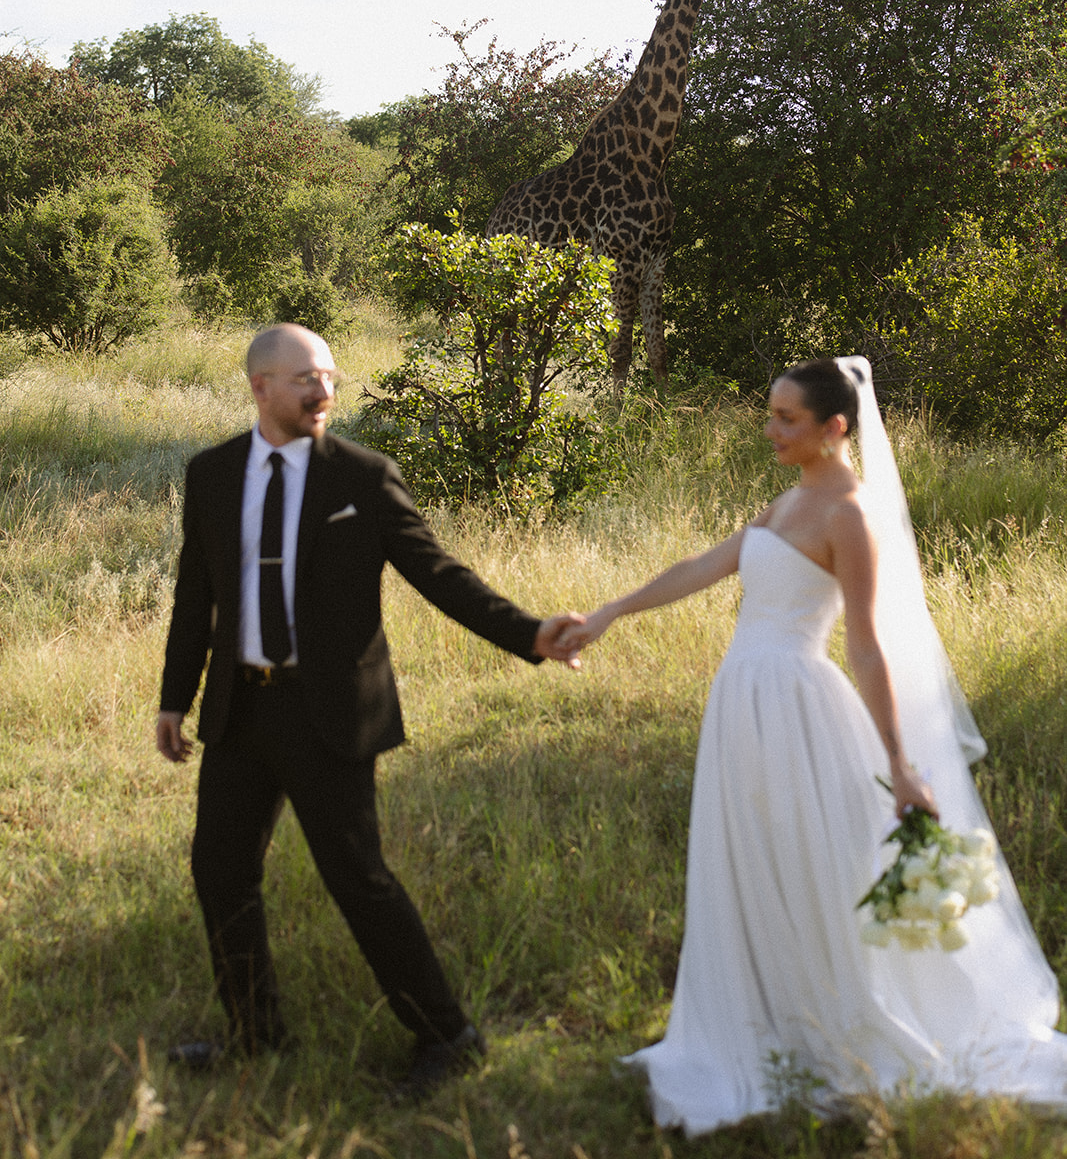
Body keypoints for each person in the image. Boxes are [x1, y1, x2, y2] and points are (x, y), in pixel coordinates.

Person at [559, 357, 1067, 1135]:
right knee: (747, 855)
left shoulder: (849, 518)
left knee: (808, 861)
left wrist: (899, 762)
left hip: (798, 704)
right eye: (769, 413)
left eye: (785, 418)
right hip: (741, 700)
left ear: (834, 427)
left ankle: (830, 1029)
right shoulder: (788, 497)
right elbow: (707, 564)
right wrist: (610, 612)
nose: (769, 429)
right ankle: (761, 1012)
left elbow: (866, 647)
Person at [157, 323, 581, 1096]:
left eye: (330, 378)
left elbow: (437, 573)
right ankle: (256, 1035)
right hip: (239, 715)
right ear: (260, 387)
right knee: (219, 872)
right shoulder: (211, 474)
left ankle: (448, 1036)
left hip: (329, 715)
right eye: (304, 380)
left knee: (357, 876)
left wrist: (528, 634)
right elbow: (196, 596)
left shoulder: (362, 476)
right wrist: (172, 700)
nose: (324, 392)